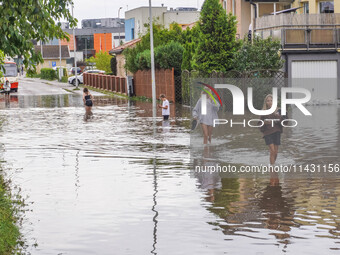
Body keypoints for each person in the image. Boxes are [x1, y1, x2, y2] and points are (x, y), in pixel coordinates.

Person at [260, 94, 285, 165]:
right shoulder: (263, 112)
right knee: (272, 150)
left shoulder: (279, 111)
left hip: (277, 132)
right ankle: (272, 169)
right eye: (268, 101)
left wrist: (276, 116)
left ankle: (273, 165)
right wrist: (264, 123)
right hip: (268, 133)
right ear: (266, 103)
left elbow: (283, 122)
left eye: (271, 101)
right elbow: (259, 124)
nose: (270, 102)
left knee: (276, 152)